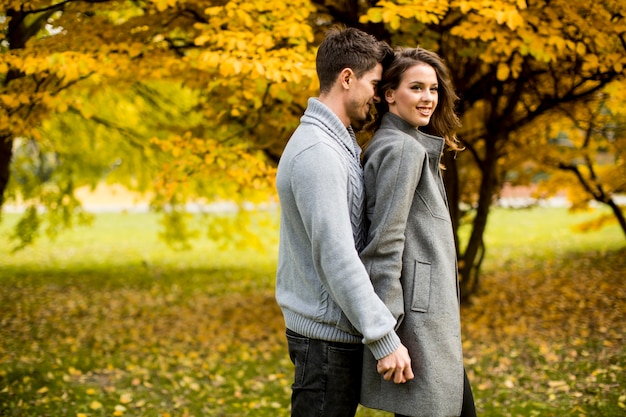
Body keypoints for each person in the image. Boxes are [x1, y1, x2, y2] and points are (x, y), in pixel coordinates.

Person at [275, 27, 414, 417]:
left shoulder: (336, 142)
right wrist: (384, 337)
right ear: (347, 78)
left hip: (331, 338)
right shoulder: (319, 151)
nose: (377, 95)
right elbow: (336, 256)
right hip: (324, 343)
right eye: (374, 83)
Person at [359, 47, 477, 417]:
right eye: (416, 88)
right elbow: (384, 244)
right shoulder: (402, 150)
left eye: (433, 89)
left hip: (426, 322)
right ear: (390, 94)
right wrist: (388, 332)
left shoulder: (399, 144)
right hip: (418, 326)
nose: (428, 98)